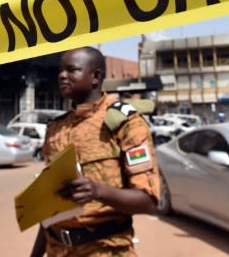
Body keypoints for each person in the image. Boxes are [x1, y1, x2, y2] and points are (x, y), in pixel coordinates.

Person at [29, 46, 160, 257]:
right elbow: (51, 208)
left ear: (95, 77)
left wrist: (97, 191)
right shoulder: (56, 128)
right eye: (60, 71)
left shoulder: (125, 123)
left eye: (72, 70)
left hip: (105, 250)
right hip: (57, 250)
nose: (62, 75)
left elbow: (148, 201)